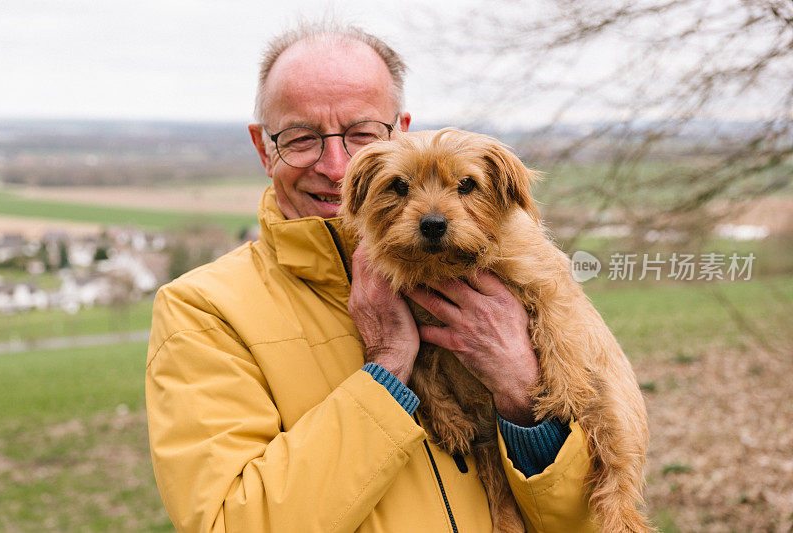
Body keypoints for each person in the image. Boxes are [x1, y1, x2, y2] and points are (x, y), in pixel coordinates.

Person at [146, 22, 598, 532]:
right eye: (300, 138)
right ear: (262, 147)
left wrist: (520, 395)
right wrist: (385, 371)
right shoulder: (203, 312)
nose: (338, 166)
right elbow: (230, 523)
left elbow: (588, 515)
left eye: (362, 134)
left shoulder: (505, 280)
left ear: (400, 131)